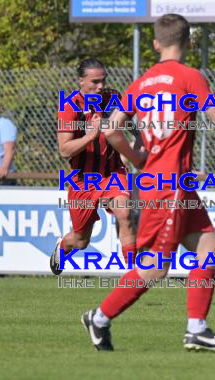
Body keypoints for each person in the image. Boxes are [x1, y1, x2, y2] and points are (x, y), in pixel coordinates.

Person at [79, 14, 215, 352]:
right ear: (189, 43)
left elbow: (111, 128)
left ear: (155, 44)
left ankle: (197, 328)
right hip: (169, 186)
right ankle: (99, 318)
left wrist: (138, 159)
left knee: (209, 250)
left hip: (169, 182)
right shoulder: (191, 77)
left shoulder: (143, 81)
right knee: (155, 268)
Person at [49, 58, 140, 274]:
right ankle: (62, 247)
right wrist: (91, 135)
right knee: (80, 241)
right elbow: (64, 150)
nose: (100, 86)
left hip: (113, 173)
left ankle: (134, 275)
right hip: (83, 180)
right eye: (95, 82)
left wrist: (140, 137)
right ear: (81, 81)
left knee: (125, 214)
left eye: (103, 81)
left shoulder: (113, 98)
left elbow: (128, 124)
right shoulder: (70, 106)